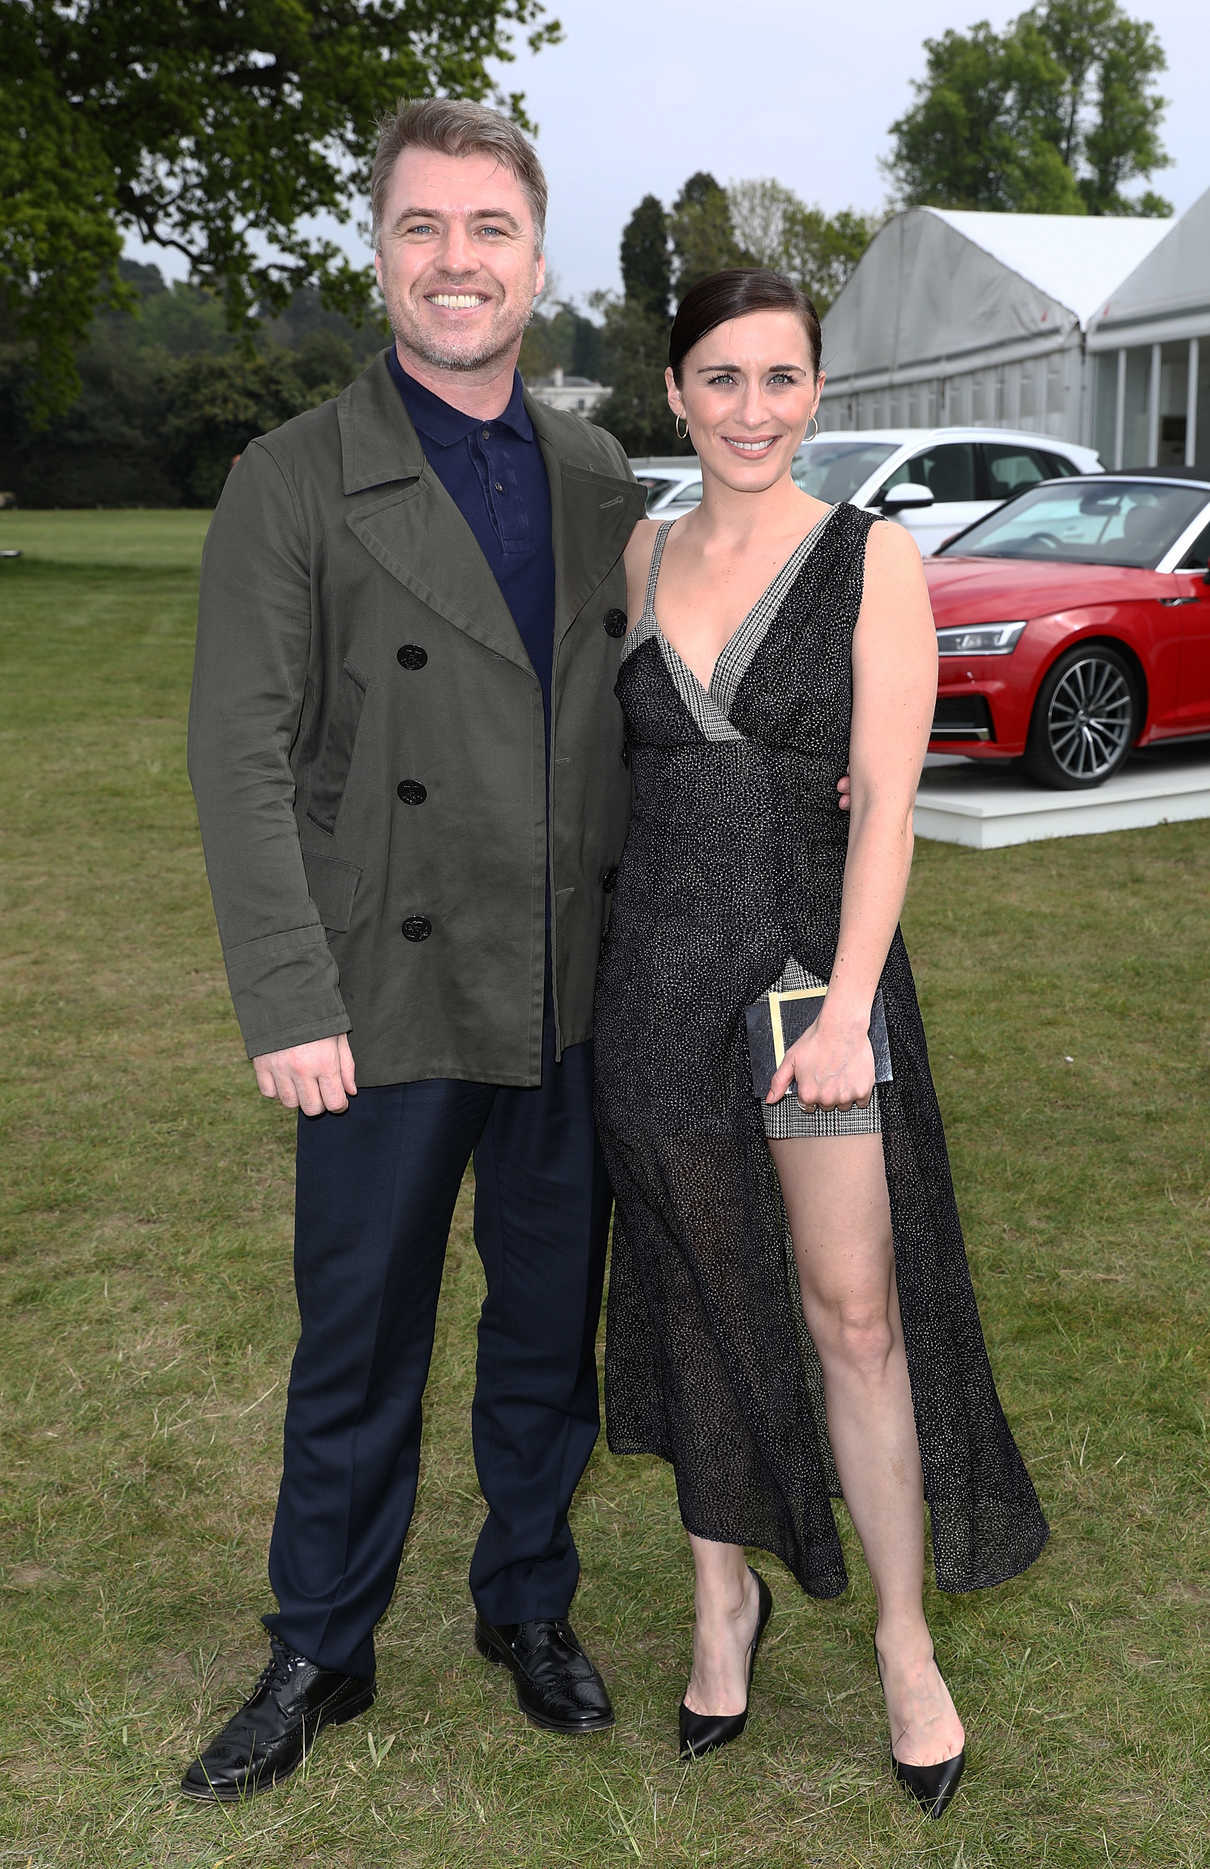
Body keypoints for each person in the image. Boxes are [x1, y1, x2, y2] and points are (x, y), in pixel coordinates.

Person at [182, 98, 650, 1802]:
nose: (458, 262)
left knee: (546, 1329)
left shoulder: (599, 478)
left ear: (538, 258)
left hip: (564, 985)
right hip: (375, 997)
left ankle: (525, 1598)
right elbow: (237, 755)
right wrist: (289, 998)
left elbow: (645, 713)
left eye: (489, 230)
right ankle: (323, 1636)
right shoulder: (290, 476)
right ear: (377, 251)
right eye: (422, 228)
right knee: (357, 1335)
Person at [594, 268, 1048, 1818]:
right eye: (718, 379)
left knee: (854, 1312)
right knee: (692, 1285)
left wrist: (849, 1003)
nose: (749, 410)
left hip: (807, 990)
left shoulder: (873, 556)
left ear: (817, 391)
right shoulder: (640, 550)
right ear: (672, 391)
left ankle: (907, 1645)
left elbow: (887, 796)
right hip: (651, 979)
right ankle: (722, 1601)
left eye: (779, 379)